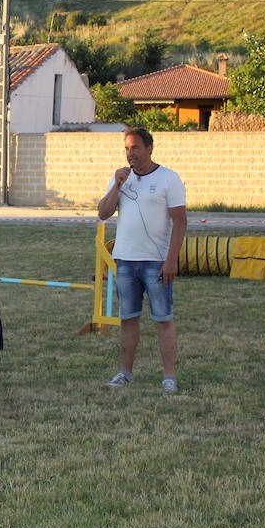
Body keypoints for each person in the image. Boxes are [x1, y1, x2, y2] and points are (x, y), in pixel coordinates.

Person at [97, 128, 187, 394]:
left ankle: (169, 377)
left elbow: (180, 222)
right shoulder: (120, 179)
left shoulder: (168, 179)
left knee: (163, 318)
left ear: (149, 148)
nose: (130, 154)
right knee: (128, 318)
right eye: (126, 149)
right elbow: (103, 213)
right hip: (125, 260)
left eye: (135, 148)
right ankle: (125, 373)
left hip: (155, 262)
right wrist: (117, 185)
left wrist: (171, 260)